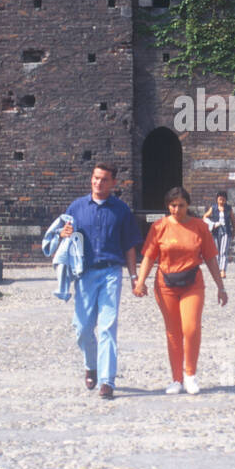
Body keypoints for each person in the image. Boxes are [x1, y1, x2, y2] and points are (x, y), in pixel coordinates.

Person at [58, 164, 143, 399]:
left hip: (111, 273)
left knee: (107, 327)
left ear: (113, 183)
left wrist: (134, 277)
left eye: (104, 179)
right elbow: (64, 235)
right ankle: (91, 364)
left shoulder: (121, 210)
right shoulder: (76, 207)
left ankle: (107, 380)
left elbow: (130, 245)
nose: (98, 183)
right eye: (96, 178)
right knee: (82, 328)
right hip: (84, 274)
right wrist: (63, 234)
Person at [134, 186, 228, 395]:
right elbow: (149, 256)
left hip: (192, 282)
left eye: (181, 205)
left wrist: (220, 287)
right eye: (173, 205)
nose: (177, 209)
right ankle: (176, 378)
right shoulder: (159, 227)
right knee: (173, 331)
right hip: (165, 284)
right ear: (168, 206)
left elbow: (211, 257)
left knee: (191, 328)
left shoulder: (199, 227)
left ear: (188, 205)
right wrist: (140, 281)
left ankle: (190, 374)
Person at [202, 191, 235, 278]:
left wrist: (234, 231)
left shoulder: (229, 208)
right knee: (216, 251)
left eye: (223, 199)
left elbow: (232, 220)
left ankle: (222, 270)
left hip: (226, 231)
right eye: (220, 199)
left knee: (223, 251)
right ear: (217, 200)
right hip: (216, 231)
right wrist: (212, 224)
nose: (221, 201)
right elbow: (205, 217)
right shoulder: (213, 208)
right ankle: (216, 270)